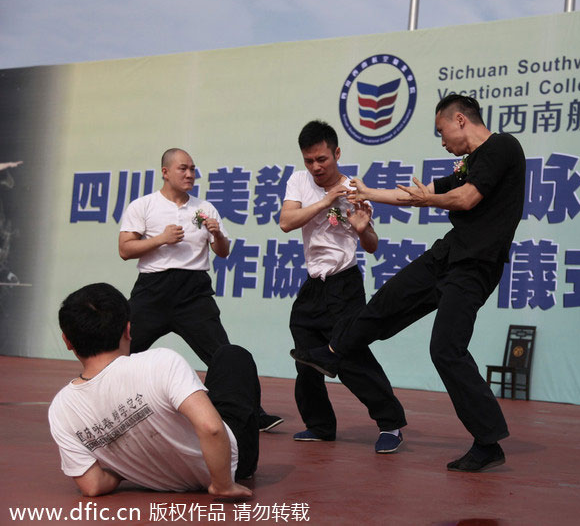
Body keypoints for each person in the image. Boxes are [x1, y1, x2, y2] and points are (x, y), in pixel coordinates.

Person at [292, 95, 526, 472]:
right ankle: (333, 352)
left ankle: (488, 442)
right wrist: (368, 194)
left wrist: (427, 199)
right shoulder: (470, 164)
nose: (442, 140)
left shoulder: (503, 147)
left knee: (445, 349)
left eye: (441, 131)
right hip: (449, 254)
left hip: (476, 266)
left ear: (461, 120)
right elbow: (416, 193)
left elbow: (465, 199)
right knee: (388, 300)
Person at [118, 148, 282, 432]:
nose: (190, 174)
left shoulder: (204, 208)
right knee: (121, 351)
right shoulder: (143, 206)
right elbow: (125, 249)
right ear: (165, 172)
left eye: (193, 169)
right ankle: (100, 404)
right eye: (183, 169)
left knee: (224, 354)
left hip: (193, 293)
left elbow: (223, 251)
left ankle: (252, 413)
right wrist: (160, 240)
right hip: (153, 290)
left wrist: (217, 234)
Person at [48, 282, 259, 497]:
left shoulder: (61, 408)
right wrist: (223, 485)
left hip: (164, 483)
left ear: (67, 341)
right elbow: (211, 428)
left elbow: (92, 485)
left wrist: (129, 469)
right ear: (129, 330)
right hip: (230, 466)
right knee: (232, 357)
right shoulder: (160, 362)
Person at [280, 120, 406, 453]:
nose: (316, 167)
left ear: (337, 153)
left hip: (344, 285)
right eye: (309, 160)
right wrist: (325, 201)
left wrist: (363, 229)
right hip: (313, 285)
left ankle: (390, 423)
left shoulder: (354, 189)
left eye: (322, 159)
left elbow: (372, 245)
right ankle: (320, 425)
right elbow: (286, 222)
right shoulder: (299, 181)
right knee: (306, 357)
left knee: (350, 356)